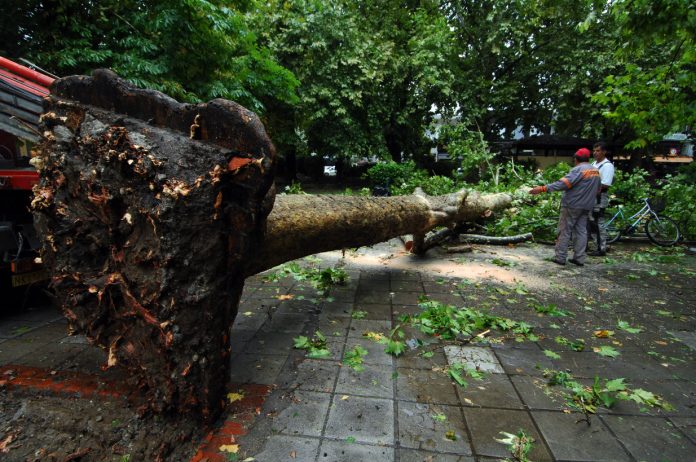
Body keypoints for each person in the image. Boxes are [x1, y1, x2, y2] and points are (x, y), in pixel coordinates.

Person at [529, 148, 601, 266]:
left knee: (564, 231)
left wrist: (542, 188)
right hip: (587, 206)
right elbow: (598, 190)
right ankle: (579, 258)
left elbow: (563, 184)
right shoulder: (596, 171)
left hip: (572, 205)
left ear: (576, 159)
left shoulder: (578, 169)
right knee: (581, 231)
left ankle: (560, 257)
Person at [587, 142, 614, 256]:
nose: (595, 153)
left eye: (598, 150)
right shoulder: (594, 164)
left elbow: (605, 184)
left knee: (598, 223)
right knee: (591, 222)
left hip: (599, 198)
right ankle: (594, 245)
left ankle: (601, 248)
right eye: (594, 150)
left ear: (604, 152)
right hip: (590, 197)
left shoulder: (607, 166)